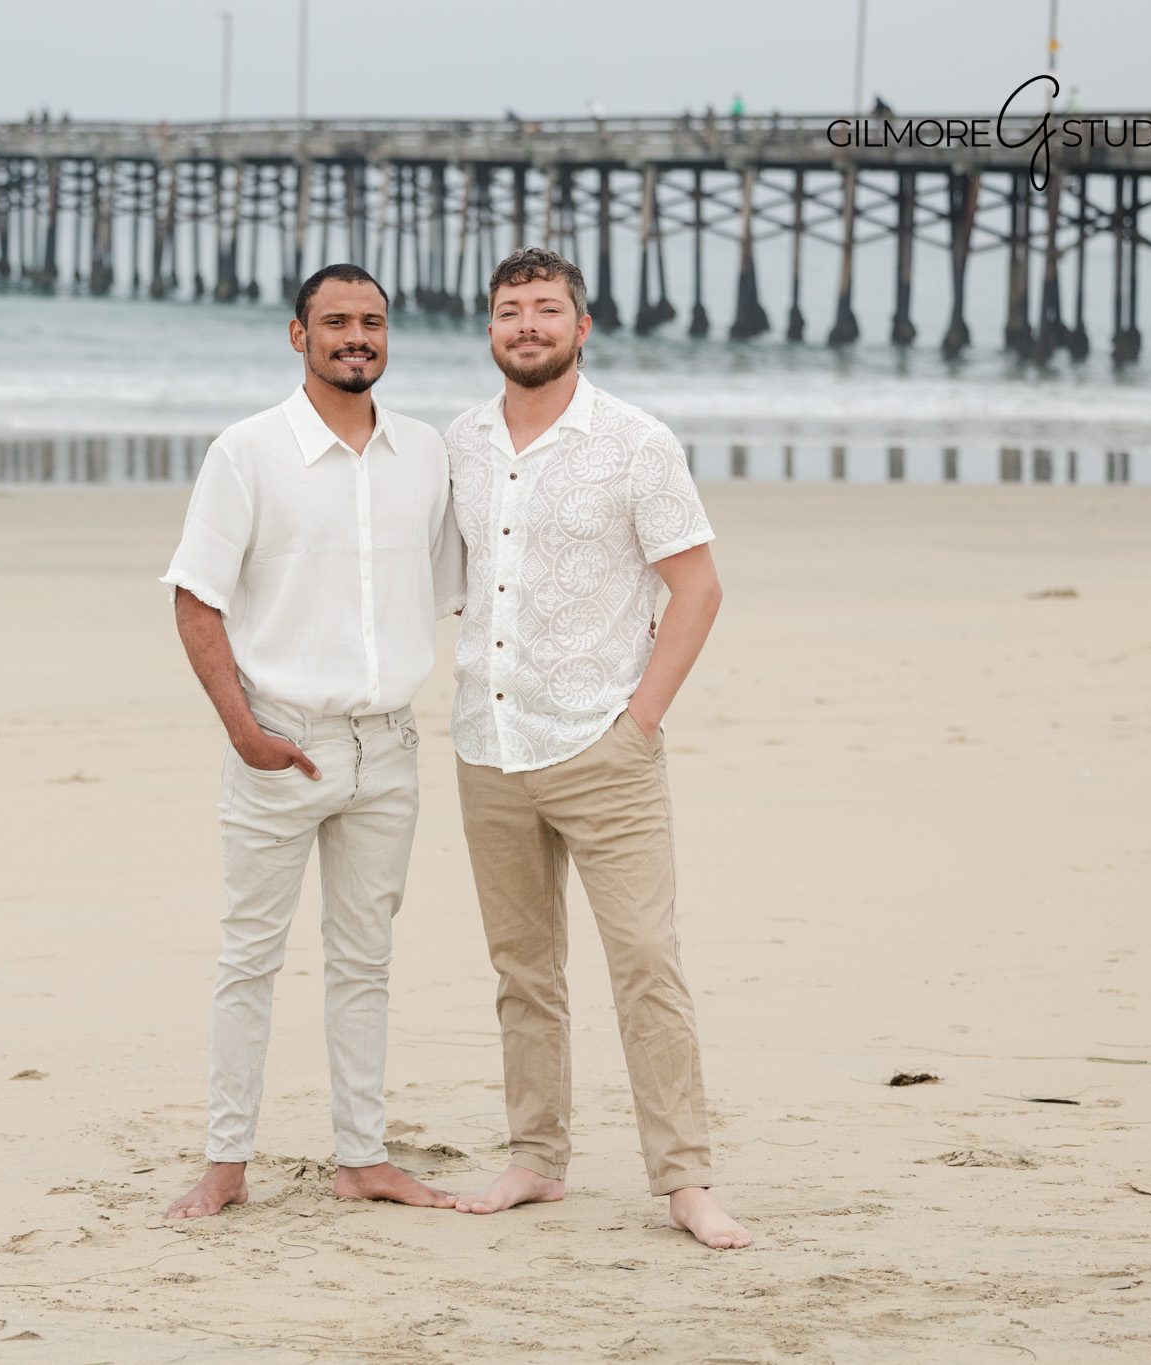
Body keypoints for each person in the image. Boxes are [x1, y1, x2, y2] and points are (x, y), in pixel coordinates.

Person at [441, 246, 751, 1250]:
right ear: (489, 329)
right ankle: (536, 1157)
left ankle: (685, 1180)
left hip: (601, 747)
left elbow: (696, 588)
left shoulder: (635, 443)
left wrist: (639, 721)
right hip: (488, 744)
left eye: (545, 308)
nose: (525, 325)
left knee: (646, 963)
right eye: (508, 310)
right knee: (522, 969)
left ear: (581, 327)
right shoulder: (459, 443)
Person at [159, 264, 466, 1220]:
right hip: (280, 741)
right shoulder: (247, 452)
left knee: (365, 960)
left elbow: (456, 586)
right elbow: (195, 600)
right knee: (250, 958)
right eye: (335, 321)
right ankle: (226, 1162)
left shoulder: (425, 454)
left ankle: (362, 1156)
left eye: (372, 321)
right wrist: (244, 731)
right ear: (299, 336)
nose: (356, 337)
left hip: (389, 747)